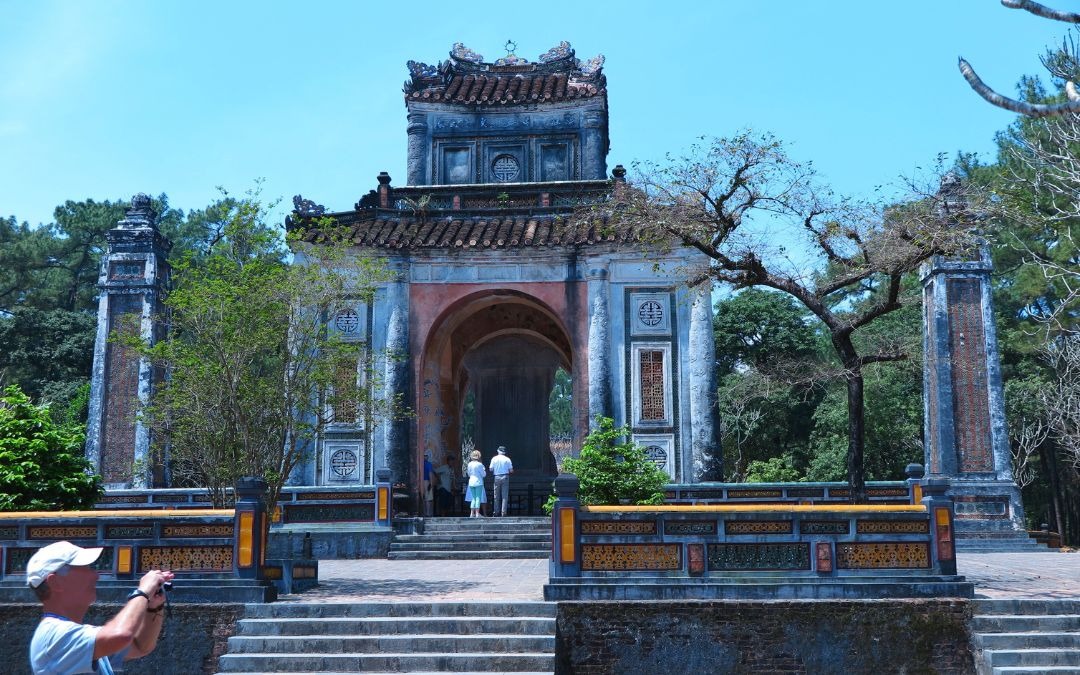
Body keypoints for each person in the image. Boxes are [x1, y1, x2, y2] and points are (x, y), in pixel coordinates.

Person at [26, 540, 174, 675]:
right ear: (56, 583)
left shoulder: (73, 635)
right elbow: (120, 635)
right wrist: (143, 592)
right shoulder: (54, 635)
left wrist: (153, 607)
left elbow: (140, 646)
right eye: (84, 568)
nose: (94, 575)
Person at [488, 445, 514, 517]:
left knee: (496, 495)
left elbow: (490, 469)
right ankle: (503, 512)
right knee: (504, 495)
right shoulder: (507, 459)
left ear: (498, 451)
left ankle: (496, 512)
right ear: (504, 452)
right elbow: (511, 470)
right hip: (505, 476)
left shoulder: (494, 459)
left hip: (496, 477)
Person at [465, 449, 487, 518]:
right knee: (478, 498)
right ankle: (477, 514)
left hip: (471, 482)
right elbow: (483, 474)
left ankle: (472, 513)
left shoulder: (469, 464)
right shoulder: (479, 464)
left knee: (473, 498)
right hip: (478, 482)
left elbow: (468, 473)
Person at [423, 450, 435, 517]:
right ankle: (428, 513)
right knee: (428, 499)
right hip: (427, 482)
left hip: (420, 482)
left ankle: (424, 513)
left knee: (423, 498)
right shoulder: (429, 464)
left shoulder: (420, 464)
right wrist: (431, 483)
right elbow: (430, 474)